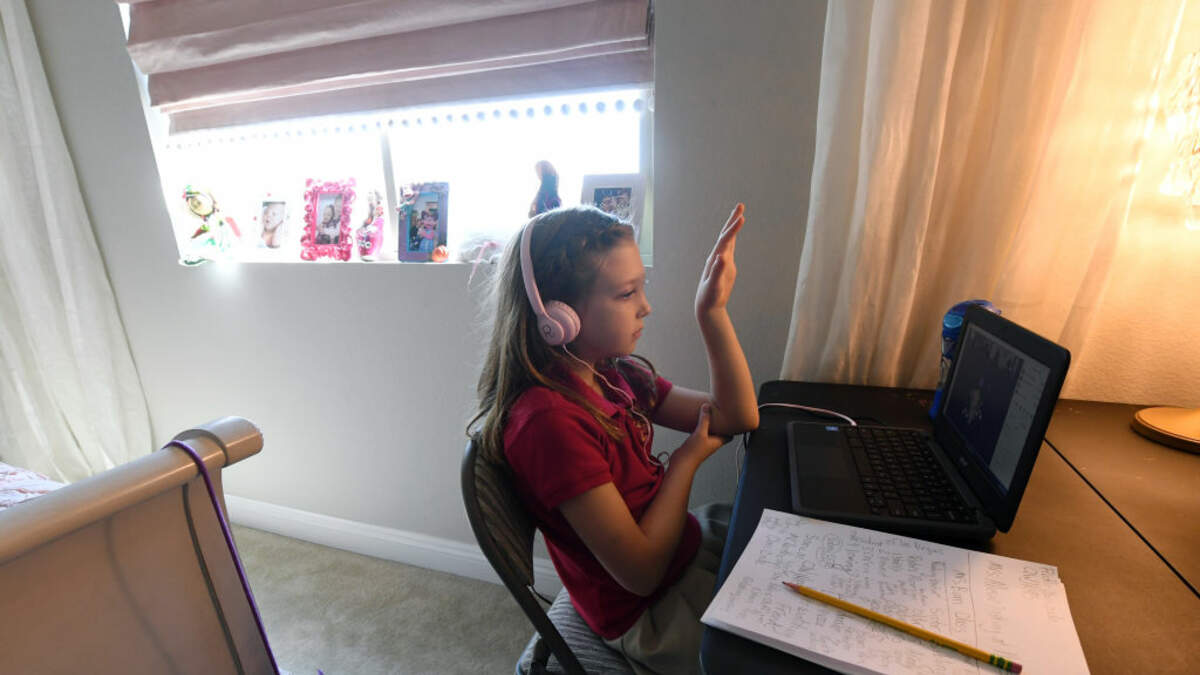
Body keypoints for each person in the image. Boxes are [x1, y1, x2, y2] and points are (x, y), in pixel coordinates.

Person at [469, 204, 758, 674]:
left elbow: (737, 416)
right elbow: (641, 575)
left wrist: (712, 313)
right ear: (556, 316)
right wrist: (685, 462)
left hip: (683, 549)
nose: (646, 306)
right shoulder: (548, 424)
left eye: (641, 287)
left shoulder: (613, 375)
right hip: (647, 611)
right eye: (627, 293)